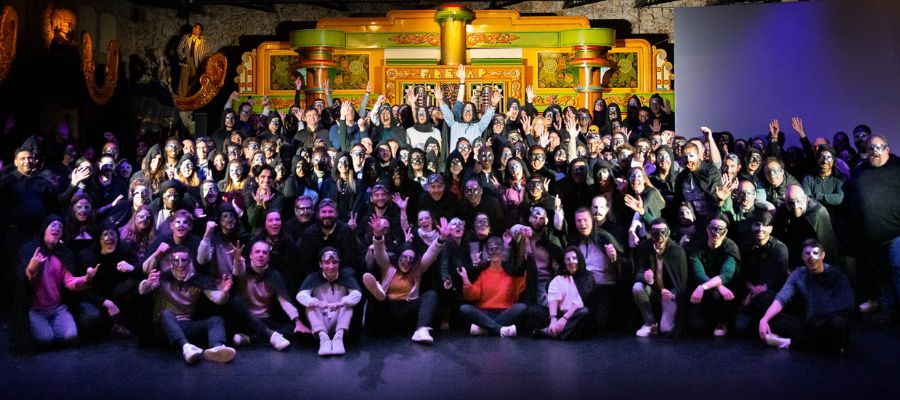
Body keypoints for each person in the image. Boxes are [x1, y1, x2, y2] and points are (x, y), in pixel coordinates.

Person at [137, 245, 236, 364]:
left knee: (216, 320)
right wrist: (147, 283)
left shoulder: (198, 280)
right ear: (171, 262)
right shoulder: (163, 277)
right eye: (176, 260)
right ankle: (186, 347)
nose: (180, 264)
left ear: (190, 262)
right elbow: (143, 290)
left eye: (184, 260)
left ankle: (217, 349)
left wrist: (224, 292)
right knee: (166, 313)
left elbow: (218, 299)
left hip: (186, 326)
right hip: (163, 328)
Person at [362, 216, 450, 344]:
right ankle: (378, 294)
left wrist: (441, 238)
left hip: (408, 310)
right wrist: (378, 236)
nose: (407, 262)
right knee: (375, 296)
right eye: (404, 257)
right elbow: (380, 253)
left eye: (411, 259)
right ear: (398, 257)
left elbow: (430, 254)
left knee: (431, 295)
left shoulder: (416, 270)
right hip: (388, 309)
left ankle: (421, 330)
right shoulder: (388, 267)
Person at [14, 215, 96, 352]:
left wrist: (86, 279)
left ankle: (52, 328)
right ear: (44, 229)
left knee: (70, 336)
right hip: (35, 309)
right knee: (45, 339)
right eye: (53, 225)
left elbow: (69, 281)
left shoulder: (63, 254)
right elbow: (24, 280)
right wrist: (31, 268)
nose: (57, 228)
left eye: (60, 226)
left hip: (57, 308)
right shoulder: (30, 250)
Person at [758, 239, 854, 353]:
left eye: (815, 253)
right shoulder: (799, 273)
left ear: (823, 255)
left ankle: (788, 342)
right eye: (807, 254)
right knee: (768, 308)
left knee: (838, 326)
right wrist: (764, 319)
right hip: (809, 322)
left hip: (829, 321)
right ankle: (814, 343)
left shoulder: (836, 274)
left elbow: (847, 303)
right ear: (803, 257)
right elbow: (782, 298)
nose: (811, 257)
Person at [849, 135, 900, 323]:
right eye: (871, 148)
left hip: (896, 234)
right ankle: (888, 310)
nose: (875, 152)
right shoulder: (860, 170)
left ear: (887, 149)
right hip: (871, 237)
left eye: (879, 147)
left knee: (897, 270)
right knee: (881, 276)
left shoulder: (897, 167)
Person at [229, 240, 309, 351]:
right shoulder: (244, 271)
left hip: (265, 320)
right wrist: (237, 261)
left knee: (293, 331)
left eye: (264, 253)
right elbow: (238, 272)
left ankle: (249, 339)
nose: (261, 255)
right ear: (251, 256)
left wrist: (297, 321)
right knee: (235, 301)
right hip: (245, 320)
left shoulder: (273, 275)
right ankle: (271, 336)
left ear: (268, 257)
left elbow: (284, 301)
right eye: (257, 252)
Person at [296, 247, 362, 356]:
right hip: (320, 319)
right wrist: (316, 302)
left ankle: (338, 338)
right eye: (327, 263)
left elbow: (357, 294)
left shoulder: (345, 276)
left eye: (334, 263)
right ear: (320, 264)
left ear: (339, 264)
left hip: (338, 321)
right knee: (310, 306)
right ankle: (323, 338)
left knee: (348, 305)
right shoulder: (313, 277)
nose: (331, 267)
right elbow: (301, 295)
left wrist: (341, 303)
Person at [458, 237, 527, 337]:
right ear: (487, 251)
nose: (494, 252)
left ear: (502, 250)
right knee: (464, 308)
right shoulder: (482, 272)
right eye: (491, 249)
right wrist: (465, 279)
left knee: (521, 307)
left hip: (505, 312)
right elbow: (471, 296)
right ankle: (499, 329)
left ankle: (484, 329)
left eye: (497, 248)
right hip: (484, 313)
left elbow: (518, 292)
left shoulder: (511, 272)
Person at [632, 218, 688, 337]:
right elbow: (638, 272)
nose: (660, 237)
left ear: (668, 233)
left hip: (668, 295)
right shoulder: (645, 247)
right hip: (653, 290)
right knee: (637, 287)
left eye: (663, 232)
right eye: (655, 233)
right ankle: (650, 323)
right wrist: (647, 278)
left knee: (666, 329)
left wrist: (673, 293)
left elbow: (682, 282)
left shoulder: (676, 251)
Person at [688, 214, 741, 337]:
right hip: (704, 291)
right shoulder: (697, 246)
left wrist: (704, 287)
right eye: (713, 228)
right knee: (695, 328)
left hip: (726, 295)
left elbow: (726, 274)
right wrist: (716, 286)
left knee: (718, 296)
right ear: (707, 229)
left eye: (721, 229)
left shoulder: (731, 247)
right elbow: (698, 273)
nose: (716, 233)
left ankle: (723, 321)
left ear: (726, 231)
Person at [534, 246, 593, 340]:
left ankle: (551, 332)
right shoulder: (559, 277)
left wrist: (564, 319)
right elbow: (553, 298)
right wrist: (553, 319)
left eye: (574, 258)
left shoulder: (587, 277)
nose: (571, 262)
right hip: (559, 313)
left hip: (574, 314)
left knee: (584, 312)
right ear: (564, 263)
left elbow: (579, 301)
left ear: (579, 259)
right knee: (534, 310)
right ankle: (557, 329)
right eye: (568, 259)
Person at [176, 23, 208, 97]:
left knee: (193, 79)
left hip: (196, 62)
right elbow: (179, 49)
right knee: (183, 78)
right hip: (186, 60)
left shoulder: (202, 40)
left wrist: (202, 62)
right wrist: (183, 57)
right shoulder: (186, 37)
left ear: (200, 31)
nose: (194, 29)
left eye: (196, 28)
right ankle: (182, 96)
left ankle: (189, 95)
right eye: (194, 27)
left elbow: (203, 52)